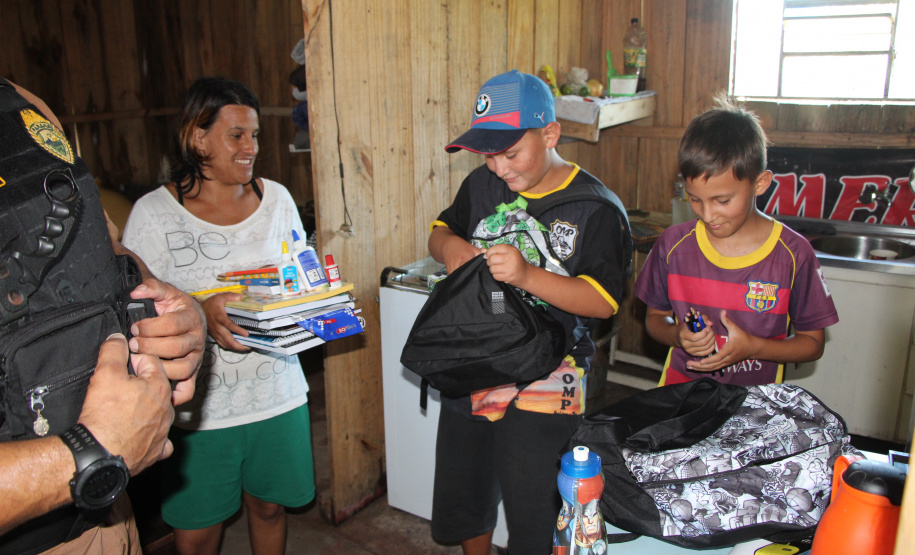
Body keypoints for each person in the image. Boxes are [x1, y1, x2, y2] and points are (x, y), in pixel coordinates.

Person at [428, 70, 629, 555]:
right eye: (488, 154)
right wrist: (454, 249)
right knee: (467, 489)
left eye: (511, 153)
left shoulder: (595, 209)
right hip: (475, 362)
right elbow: (439, 232)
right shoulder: (481, 186)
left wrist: (525, 276)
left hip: (550, 373)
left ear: (550, 134)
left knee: (535, 504)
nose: (499, 167)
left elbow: (602, 302)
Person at [0, 80, 206, 552]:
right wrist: (83, 456)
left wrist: (176, 310)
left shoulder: (22, 104)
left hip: (103, 516)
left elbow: (104, 248)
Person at [121, 76, 315, 555]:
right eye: (236, 135)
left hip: (278, 394)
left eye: (254, 135)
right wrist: (200, 312)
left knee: (269, 508)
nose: (250, 147)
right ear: (197, 137)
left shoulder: (279, 202)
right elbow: (132, 309)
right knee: (199, 529)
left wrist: (317, 302)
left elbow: (302, 277)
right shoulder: (154, 215)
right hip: (200, 410)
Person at [634, 95, 839, 386]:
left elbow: (812, 343)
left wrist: (754, 347)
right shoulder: (672, 245)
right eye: (695, 199)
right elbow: (655, 320)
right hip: (680, 404)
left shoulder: (793, 254)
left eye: (722, 200)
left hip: (756, 411)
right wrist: (678, 335)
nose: (708, 214)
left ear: (760, 183)